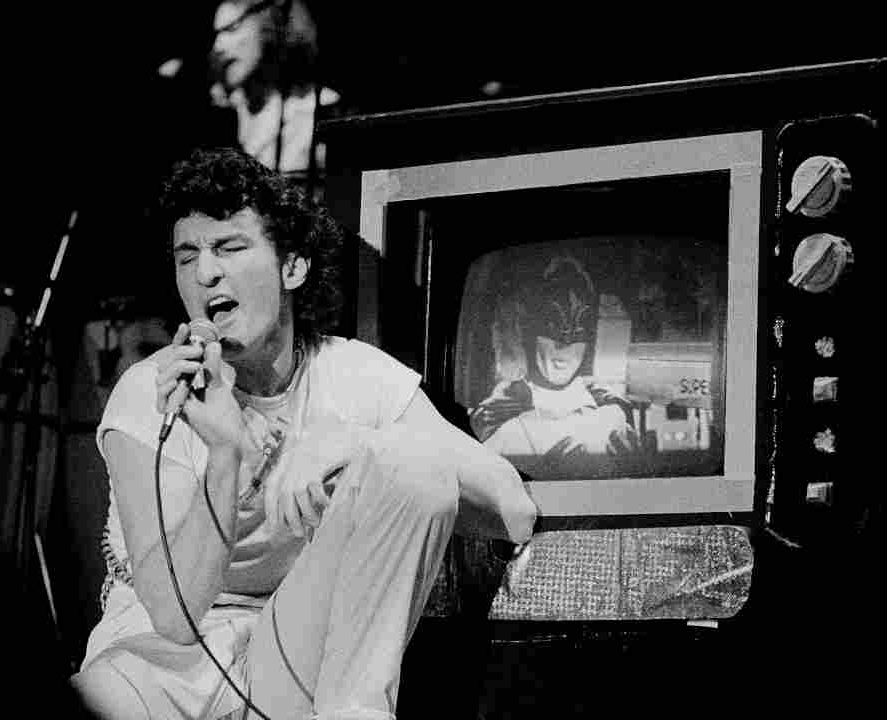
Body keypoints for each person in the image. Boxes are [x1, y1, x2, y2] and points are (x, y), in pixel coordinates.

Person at [69, 147, 538, 720]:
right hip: (159, 664)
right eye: (186, 255)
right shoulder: (150, 393)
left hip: (287, 648)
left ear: (293, 267)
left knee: (411, 462)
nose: (204, 273)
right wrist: (225, 452)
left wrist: (356, 442)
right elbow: (174, 618)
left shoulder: (351, 374)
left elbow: (512, 507)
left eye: (229, 248)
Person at [469, 254, 638, 476]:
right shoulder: (496, 421)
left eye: (580, 329)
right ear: (529, 330)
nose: (565, 343)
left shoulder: (613, 416)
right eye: (551, 324)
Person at [208, 0, 338, 181]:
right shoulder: (221, 114)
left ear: (270, 21)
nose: (218, 46)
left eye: (232, 28)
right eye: (216, 34)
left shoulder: (321, 110)